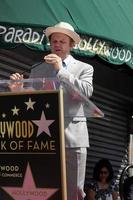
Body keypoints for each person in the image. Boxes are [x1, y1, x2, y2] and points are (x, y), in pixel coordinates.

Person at [10, 21, 94, 200]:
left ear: (71, 44)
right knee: (47, 189)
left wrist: (59, 70)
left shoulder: (84, 68)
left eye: (62, 41)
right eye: (54, 41)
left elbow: (85, 93)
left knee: (75, 191)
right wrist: (18, 89)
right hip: (45, 138)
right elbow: (32, 101)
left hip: (74, 139)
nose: (57, 45)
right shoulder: (38, 69)